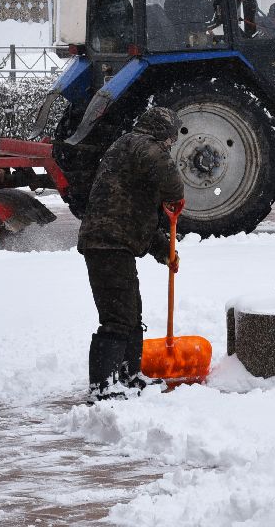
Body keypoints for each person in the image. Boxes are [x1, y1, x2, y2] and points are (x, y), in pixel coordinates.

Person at [76, 105, 185, 398]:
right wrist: (175, 195)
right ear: (161, 132)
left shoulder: (130, 154)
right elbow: (169, 178)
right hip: (106, 244)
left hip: (116, 242)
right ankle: (102, 387)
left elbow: (136, 218)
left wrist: (165, 250)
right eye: (170, 141)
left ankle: (128, 375)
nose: (169, 147)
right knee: (116, 318)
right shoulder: (138, 145)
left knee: (131, 314)